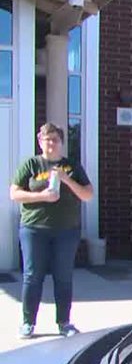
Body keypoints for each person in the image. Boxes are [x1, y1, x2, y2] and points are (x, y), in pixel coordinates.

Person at [10, 123, 94, 338]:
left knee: (63, 277)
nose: (51, 143)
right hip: (34, 229)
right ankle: (28, 323)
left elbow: (87, 194)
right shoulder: (31, 165)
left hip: (66, 231)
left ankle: (64, 323)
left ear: (61, 143)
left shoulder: (72, 166)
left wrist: (67, 180)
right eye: (46, 139)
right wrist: (42, 196)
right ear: (40, 142)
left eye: (55, 139)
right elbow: (15, 194)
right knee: (32, 276)